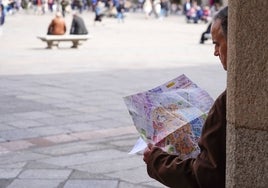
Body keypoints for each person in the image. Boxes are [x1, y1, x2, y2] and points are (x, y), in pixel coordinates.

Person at [143, 6, 228, 188]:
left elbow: (205, 175)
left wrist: (156, 160)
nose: (215, 51)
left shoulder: (227, 102)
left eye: (218, 43)